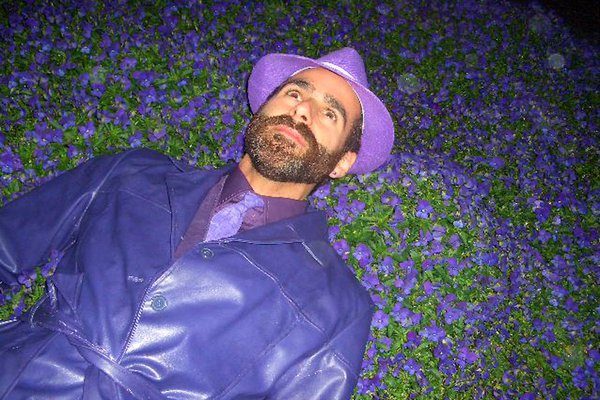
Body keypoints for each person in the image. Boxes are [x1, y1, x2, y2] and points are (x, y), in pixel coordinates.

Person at [0, 47, 394, 399]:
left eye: (329, 113)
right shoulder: (132, 172)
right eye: (294, 93)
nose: (302, 110)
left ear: (342, 162)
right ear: (262, 109)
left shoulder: (337, 308)